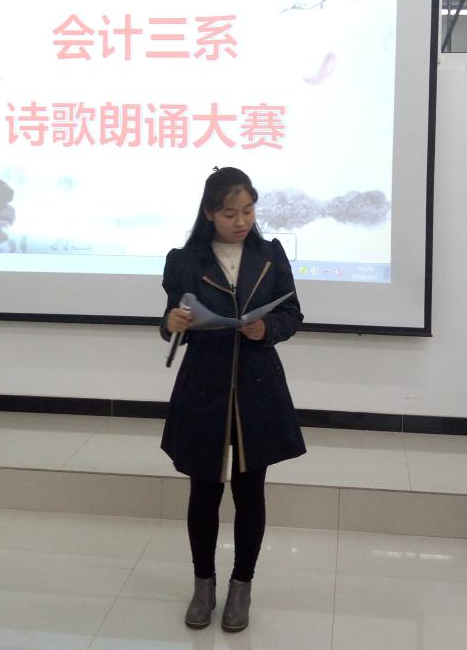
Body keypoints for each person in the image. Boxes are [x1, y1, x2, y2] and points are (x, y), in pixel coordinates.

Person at [160, 166, 306, 632]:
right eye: (229, 213)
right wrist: (171, 323)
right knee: (204, 491)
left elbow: (292, 313)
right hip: (204, 385)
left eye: (248, 210)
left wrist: (268, 328)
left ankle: (242, 586)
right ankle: (203, 586)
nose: (241, 221)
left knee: (250, 490)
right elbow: (172, 318)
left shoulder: (269, 254)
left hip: (256, 386)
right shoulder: (184, 260)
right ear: (209, 213)